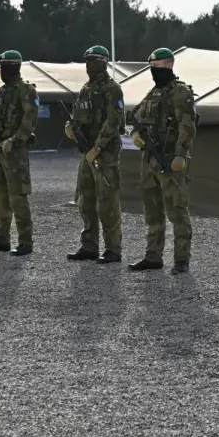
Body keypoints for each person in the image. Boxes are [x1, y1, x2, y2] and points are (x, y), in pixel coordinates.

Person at [127, 48, 197, 274]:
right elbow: (136, 117)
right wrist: (135, 136)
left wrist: (180, 154)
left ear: (168, 65)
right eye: (151, 67)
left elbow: (187, 125)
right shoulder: (153, 92)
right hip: (149, 160)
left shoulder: (180, 92)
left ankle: (181, 260)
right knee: (152, 211)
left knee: (177, 209)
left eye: (156, 67)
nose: (153, 71)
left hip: (170, 159)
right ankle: (153, 256)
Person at [65, 44, 126, 263]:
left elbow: (114, 120)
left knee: (107, 201)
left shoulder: (112, 89)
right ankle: (89, 245)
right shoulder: (85, 88)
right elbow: (77, 115)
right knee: (86, 200)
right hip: (87, 152)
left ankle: (113, 248)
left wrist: (98, 147)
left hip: (104, 153)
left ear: (104, 62)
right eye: (87, 60)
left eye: (94, 60)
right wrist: (70, 128)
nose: (89, 65)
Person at [0, 50, 38, 256]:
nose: (3, 69)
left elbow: (29, 121)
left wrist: (13, 141)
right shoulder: (0, 92)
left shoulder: (27, 91)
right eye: (1, 65)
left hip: (15, 152)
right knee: (0, 198)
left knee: (18, 198)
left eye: (7, 66)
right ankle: (1, 238)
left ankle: (25, 241)